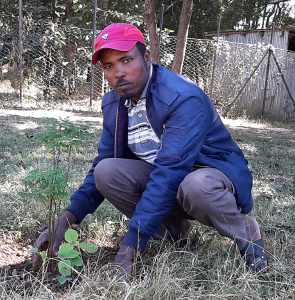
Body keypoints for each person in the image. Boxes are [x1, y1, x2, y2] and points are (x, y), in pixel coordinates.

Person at [33, 23, 269, 282]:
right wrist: (66, 219)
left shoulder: (182, 97)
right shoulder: (114, 102)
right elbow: (103, 160)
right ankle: (174, 229)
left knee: (195, 186)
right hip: (167, 177)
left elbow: (170, 171)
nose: (118, 73)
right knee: (106, 171)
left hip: (209, 175)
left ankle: (246, 232)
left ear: (146, 58)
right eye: (109, 66)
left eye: (126, 60)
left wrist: (129, 247)